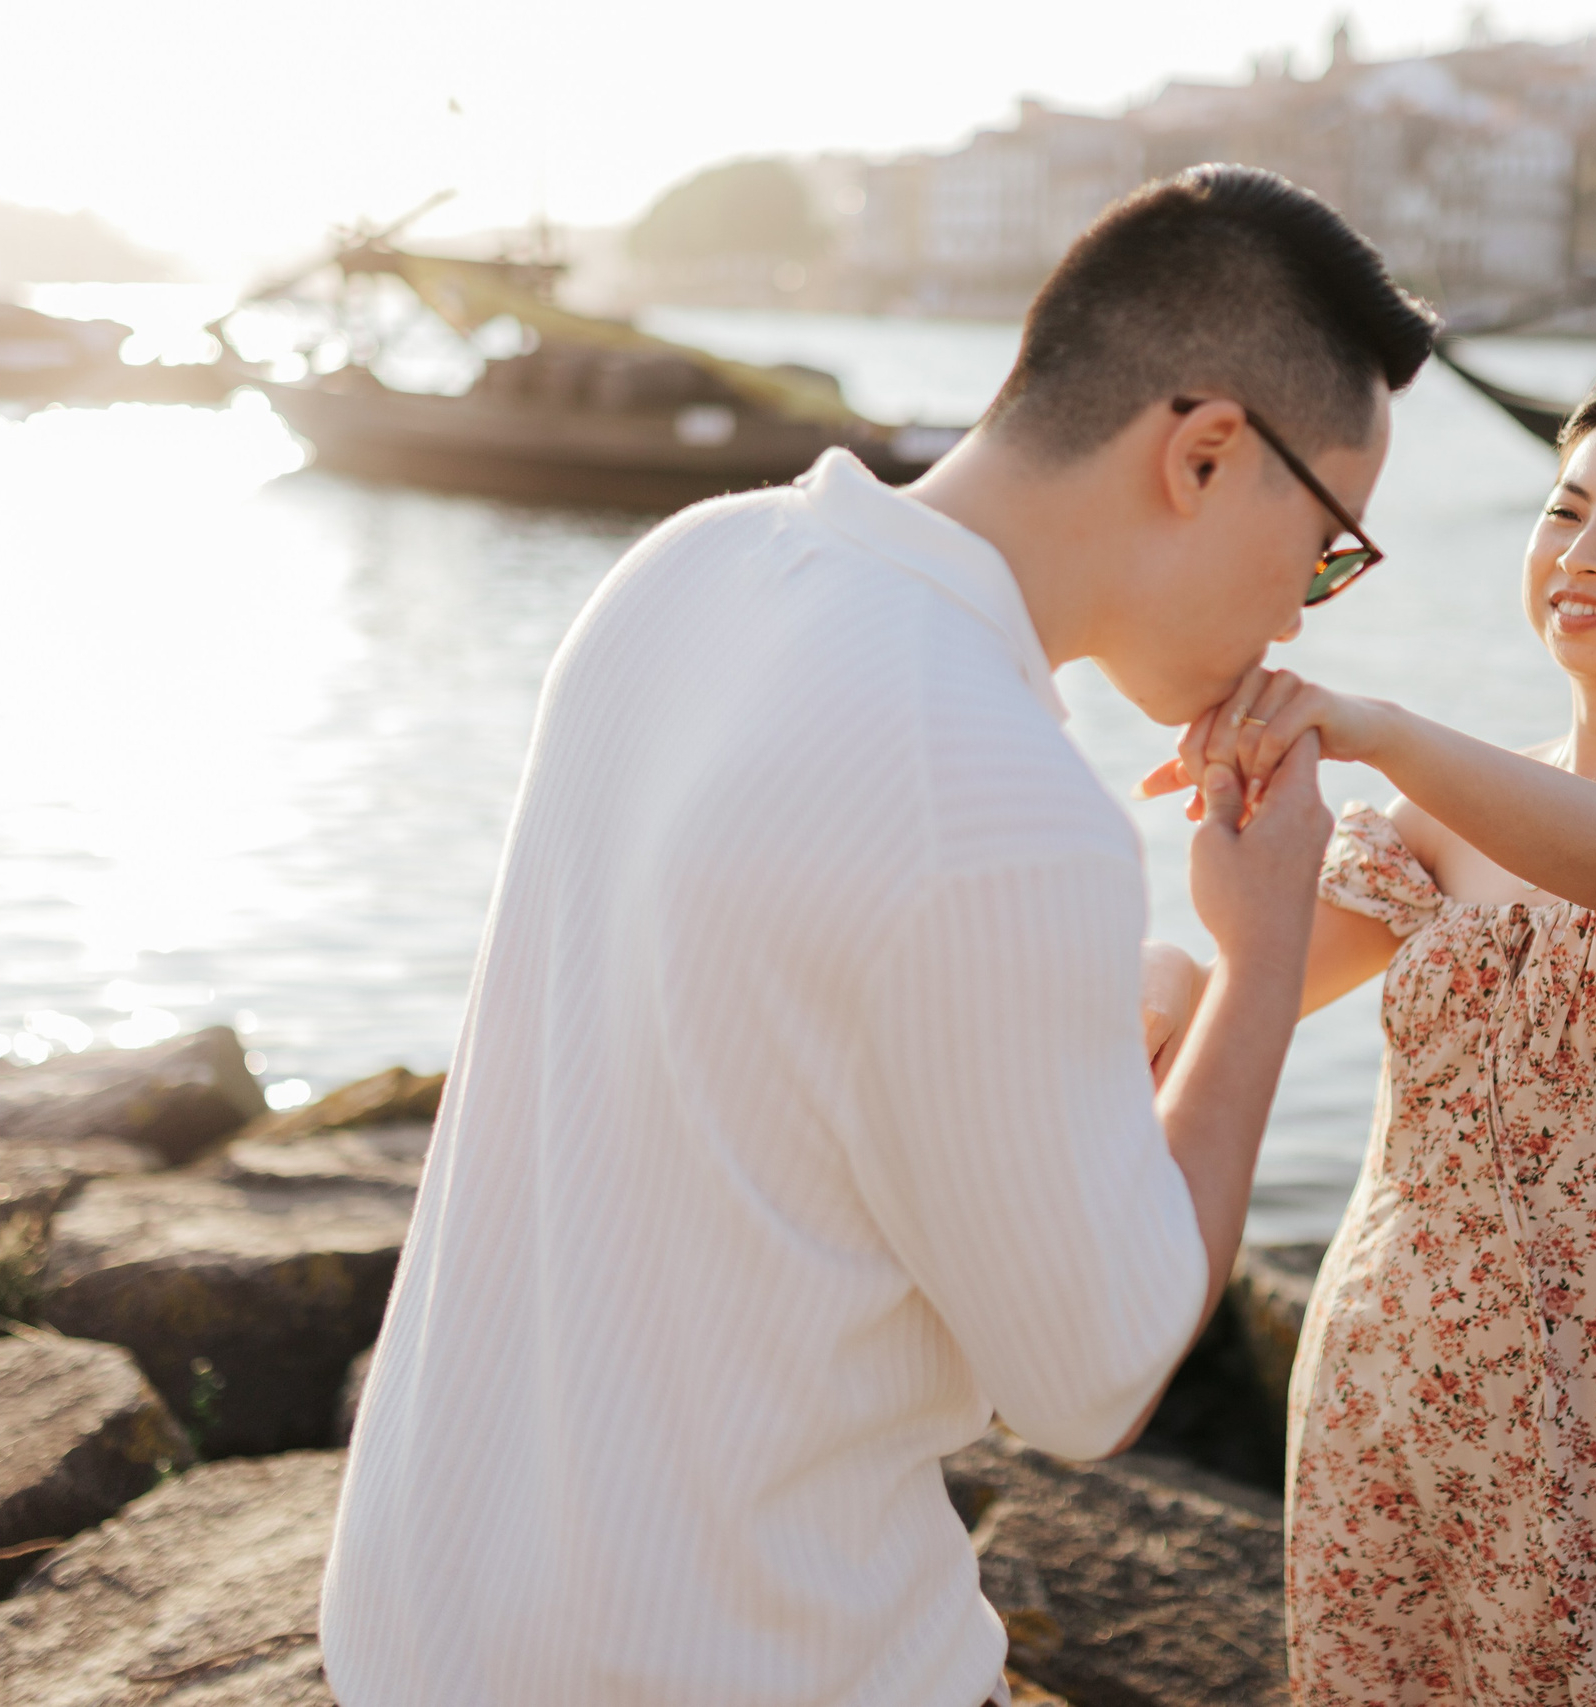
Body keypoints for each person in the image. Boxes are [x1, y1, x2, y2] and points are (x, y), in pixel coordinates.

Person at [318, 165, 1438, 1707]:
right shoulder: (1004, 803)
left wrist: (1073, 1013)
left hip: (423, 1628)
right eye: (1326, 547)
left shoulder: (691, 564)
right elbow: (1093, 1380)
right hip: (741, 1666)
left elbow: (747, 1021)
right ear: (1204, 453)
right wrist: (1257, 965)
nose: (1304, 617)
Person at [1140, 375, 1596, 1704]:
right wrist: (1154, 960)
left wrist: (1377, 729)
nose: (1582, 554)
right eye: (1566, 511)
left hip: (1589, 1376)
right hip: (1376, 1356)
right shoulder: (1431, 827)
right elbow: (1245, 987)